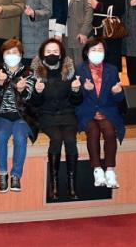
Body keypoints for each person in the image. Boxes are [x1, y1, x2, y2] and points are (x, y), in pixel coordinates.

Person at [30, 39, 80, 200]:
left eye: (55, 52)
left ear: (61, 54)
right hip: (47, 115)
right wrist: (37, 92)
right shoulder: (36, 72)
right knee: (57, 139)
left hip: (67, 113)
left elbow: (76, 101)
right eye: (48, 51)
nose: (52, 54)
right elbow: (34, 104)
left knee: (70, 140)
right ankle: (54, 184)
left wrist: (76, 91)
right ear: (42, 53)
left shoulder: (69, 71)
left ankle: (71, 184)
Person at [75, 38, 126, 189]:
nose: (97, 53)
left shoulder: (112, 69)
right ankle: (97, 169)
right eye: (94, 50)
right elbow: (75, 98)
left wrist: (117, 92)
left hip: (106, 110)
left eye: (100, 50)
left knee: (110, 131)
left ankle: (110, 170)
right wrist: (84, 89)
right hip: (87, 111)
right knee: (93, 131)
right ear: (87, 52)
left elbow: (118, 98)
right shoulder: (79, 69)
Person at [0, 39, 37, 193]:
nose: (11, 55)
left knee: (19, 137)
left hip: (22, 116)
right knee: (0, 135)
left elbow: (28, 96)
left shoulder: (28, 73)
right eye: (8, 52)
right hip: (2, 114)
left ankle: (16, 175)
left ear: (21, 54)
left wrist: (21, 90)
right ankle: (2, 173)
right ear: (3, 55)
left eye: (14, 52)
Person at [88, 0, 125, 69]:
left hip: (110, 31)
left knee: (110, 63)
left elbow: (120, 8)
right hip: (96, 31)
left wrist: (99, 6)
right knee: (97, 62)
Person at [64, 0, 94, 68]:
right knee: (68, 67)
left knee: (80, 66)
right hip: (65, 34)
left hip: (79, 34)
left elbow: (89, 11)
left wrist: (84, 31)